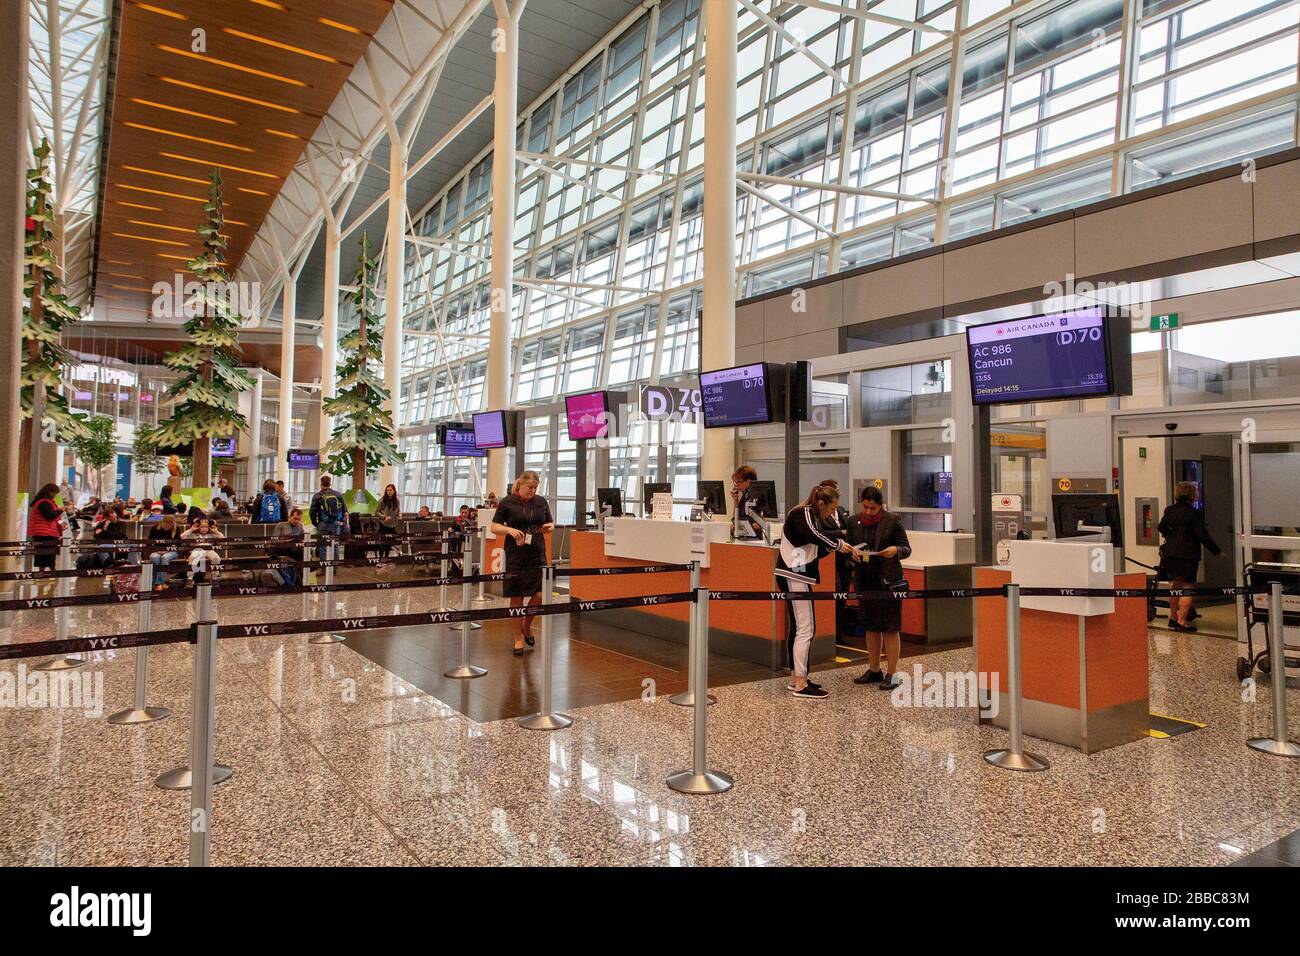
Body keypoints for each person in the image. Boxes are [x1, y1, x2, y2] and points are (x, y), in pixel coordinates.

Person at [778, 485, 862, 699]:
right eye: (831, 509)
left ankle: (797, 678)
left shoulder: (807, 516)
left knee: (798, 627)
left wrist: (843, 548)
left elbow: (814, 548)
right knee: (806, 629)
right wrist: (838, 544)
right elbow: (815, 536)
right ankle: (800, 684)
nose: (832, 514)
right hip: (795, 576)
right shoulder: (802, 513)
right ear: (822, 503)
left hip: (796, 573)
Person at [848, 487, 912, 690]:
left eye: (873, 508)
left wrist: (895, 550)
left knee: (890, 628)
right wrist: (852, 554)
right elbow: (848, 547)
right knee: (870, 626)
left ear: (880, 506)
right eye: (865, 507)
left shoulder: (893, 521)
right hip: (865, 580)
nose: (868, 512)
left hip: (888, 581)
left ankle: (892, 674)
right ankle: (874, 669)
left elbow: (906, 548)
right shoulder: (853, 521)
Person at [491, 470, 554, 656]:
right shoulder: (507, 502)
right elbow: (495, 526)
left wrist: (547, 528)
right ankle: (518, 637)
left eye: (536, 488)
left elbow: (550, 523)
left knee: (539, 595)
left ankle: (527, 625)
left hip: (536, 553)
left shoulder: (541, 502)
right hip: (515, 555)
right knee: (517, 596)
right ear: (521, 485)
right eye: (530, 487)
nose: (533, 491)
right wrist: (509, 530)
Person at [1158, 481, 1222, 633]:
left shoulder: (1170, 510)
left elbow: (1161, 527)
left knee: (1175, 586)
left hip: (1170, 554)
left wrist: (1172, 537)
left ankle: (1173, 618)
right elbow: (1202, 535)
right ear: (1192, 495)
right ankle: (1182, 621)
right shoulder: (1194, 513)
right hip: (1187, 555)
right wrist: (1217, 551)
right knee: (1187, 587)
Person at [28, 483, 67, 573]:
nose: (55, 496)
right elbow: (50, 516)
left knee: (47, 553)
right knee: (45, 553)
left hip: (47, 531)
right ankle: (46, 571)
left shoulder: (45, 502)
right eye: (55, 493)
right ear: (50, 492)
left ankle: (47, 571)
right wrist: (61, 510)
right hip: (44, 532)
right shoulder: (44, 503)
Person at [309, 475, 348, 560]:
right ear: (330, 484)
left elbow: (312, 511)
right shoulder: (337, 494)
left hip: (322, 523)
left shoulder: (317, 496)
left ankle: (324, 569)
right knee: (335, 546)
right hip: (335, 523)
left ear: (321, 484)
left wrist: (315, 523)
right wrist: (340, 521)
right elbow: (344, 509)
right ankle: (334, 570)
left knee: (323, 547)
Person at [268, 508, 306, 586]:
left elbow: (303, 539)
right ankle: (300, 578)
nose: (297, 521)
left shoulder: (300, 526)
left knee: (299, 549)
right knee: (298, 550)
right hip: (281, 548)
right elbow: (274, 540)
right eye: (295, 518)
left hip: (294, 549)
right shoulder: (281, 525)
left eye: (299, 519)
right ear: (290, 517)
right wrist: (288, 541)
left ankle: (298, 577)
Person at [181, 516, 224, 583]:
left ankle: (214, 578)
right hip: (197, 550)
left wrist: (216, 531)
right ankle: (190, 578)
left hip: (209, 550)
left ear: (208, 528)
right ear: (198, 527)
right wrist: (191, 529)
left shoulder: (212, 535)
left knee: (216, 558)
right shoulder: (193, 535)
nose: (204, 529)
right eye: (202, 527)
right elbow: (182, 537)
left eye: (206, 527)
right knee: (192, 558)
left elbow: (223, 540)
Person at [730, 465, 764, 537]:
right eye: (735, 482)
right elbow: (736, 518)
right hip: (743, 535)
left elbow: (763, 522)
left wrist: (743, 528)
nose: (737, 485)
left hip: (754, 537)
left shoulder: (758, 496)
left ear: (748, 481)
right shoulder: (745, 494)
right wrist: (735, 501)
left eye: (739, 482)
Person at [147, 515, 182, 585]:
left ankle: (159, 583)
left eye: (170, 525)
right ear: (162, 523)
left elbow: (178, 545)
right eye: (166, 524)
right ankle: (155, 581)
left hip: (171, 551)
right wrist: (156, 550)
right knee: (155, 558)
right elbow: (149, 543)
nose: (167, 526)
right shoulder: (155, 529)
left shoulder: (176, 529)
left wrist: (166, 551)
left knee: (165, 557)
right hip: (156, 551)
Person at [375, 484, 400, 557]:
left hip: (393, 524)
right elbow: (376, 512)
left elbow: (398, 510)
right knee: (383, 542)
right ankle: (381, 558)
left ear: (394, 491)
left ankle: (386, 557)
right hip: (384, 524)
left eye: (390, 490)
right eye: (387, 490)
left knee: (389, 542)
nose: (388, 492)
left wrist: (399, 514)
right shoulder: (382, 500)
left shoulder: (397, 500)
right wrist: (384, 517)